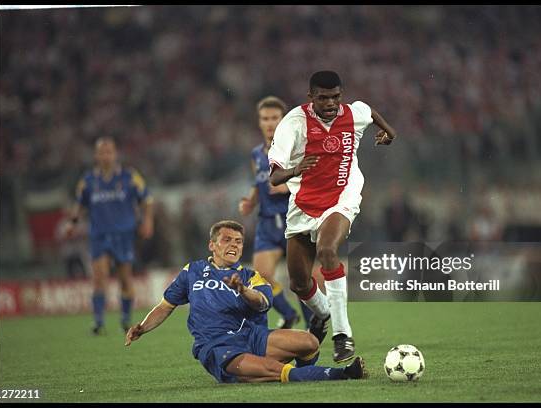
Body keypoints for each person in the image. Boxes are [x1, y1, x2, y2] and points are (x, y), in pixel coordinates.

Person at [124, 220, 367, 383]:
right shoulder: (192, 271)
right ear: (212, 245)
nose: (233, 245)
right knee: (275, 370)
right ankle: (342, 374)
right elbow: (166, 305)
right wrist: (142, 328)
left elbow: (262, 303)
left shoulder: (251, 276)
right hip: (217, 347)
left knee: (310, 342)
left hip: (251, 337)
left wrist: (242, 290)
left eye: (238, 241)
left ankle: (300, 373)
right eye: (226, 240)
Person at [268, 71, 397, 363]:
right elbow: (275, 177)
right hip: (303, 204)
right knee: (299, 284)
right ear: (310, 96)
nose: (330, 103)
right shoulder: (293, 124)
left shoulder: (353, 114)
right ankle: (324, 313)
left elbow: (371, 112)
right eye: (323, 97)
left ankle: (343, 335)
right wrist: (296, 169)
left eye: (335, 97)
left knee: (327, 250)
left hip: (342, 196)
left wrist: (390, 133)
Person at [65, 137, 154, 334]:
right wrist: (72, 223)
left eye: (109, 151)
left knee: (125, 280)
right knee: (99, 277)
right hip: (99, 235)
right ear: (96, 156)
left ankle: (125, 320)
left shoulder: (129, 177)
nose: (106, 155)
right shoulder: (88, 181)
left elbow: (146, 199)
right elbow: (79, 203)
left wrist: (147, 221)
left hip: (124, 234)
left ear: (115, 154)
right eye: (102, 152)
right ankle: (98, 323)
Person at [238, 96, 313, 329]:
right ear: (259, 122)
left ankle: (314, 327)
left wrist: (286, 185)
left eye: (274, 118)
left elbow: (312, 180)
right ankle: (288, 314)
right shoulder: (256, 155)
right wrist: (251, 200)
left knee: (300, 279)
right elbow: (258, 182)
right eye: (265, 118)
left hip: (294, 219)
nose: (269, 123)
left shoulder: (296, 149)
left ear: (284, 120)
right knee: (261, 274)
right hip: (268, 222)